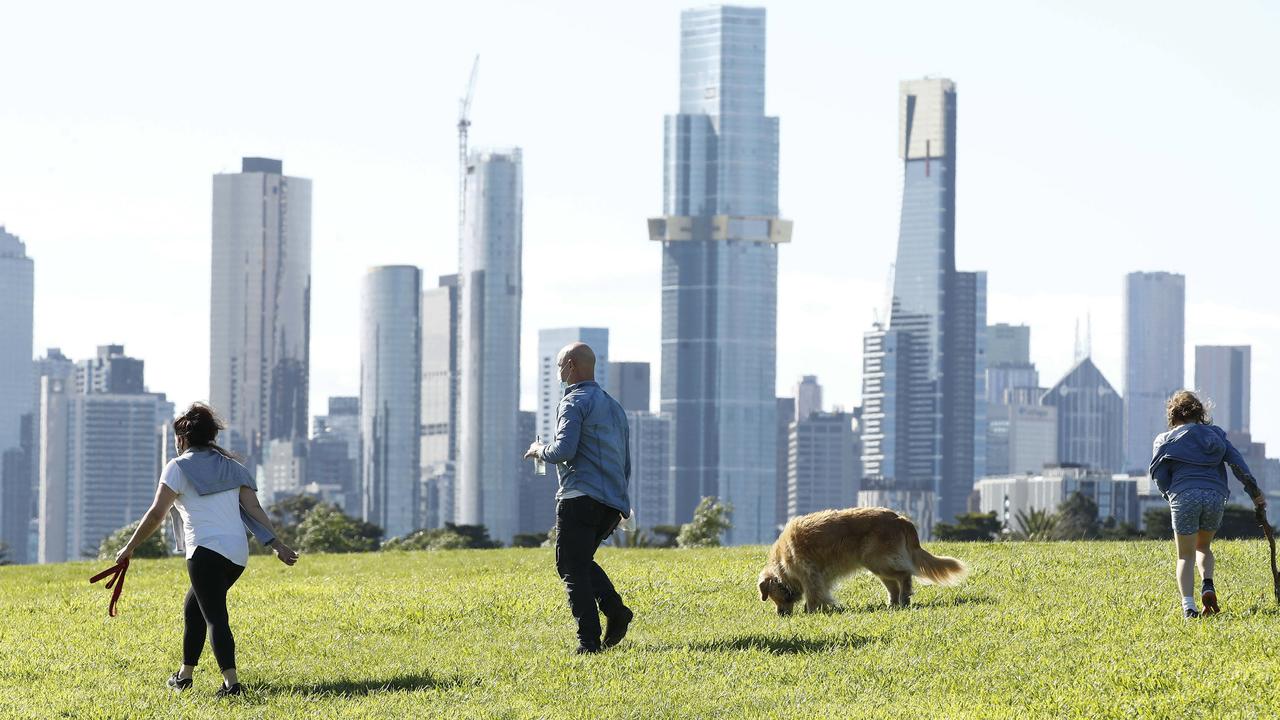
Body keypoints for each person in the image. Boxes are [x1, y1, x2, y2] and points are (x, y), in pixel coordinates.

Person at [115, 403, 299, 696]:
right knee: (194, 609)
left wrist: (129, 547)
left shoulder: (178, 467)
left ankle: (232, 684)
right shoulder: (232, 467)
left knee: (215, 615)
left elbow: (155, 514)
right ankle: (184, 676)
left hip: (204, 552)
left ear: (182, 439)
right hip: (237, 555)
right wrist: (276, 544)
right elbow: (253, 509)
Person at [525, 342, 634, 654]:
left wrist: (538, 450)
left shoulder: (573, 402)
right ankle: (615, 611)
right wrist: (622, 501)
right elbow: (625, 461)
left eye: (560, 366)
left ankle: (588, 643)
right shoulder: (614, 407)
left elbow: (563, 451)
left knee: (571, 567)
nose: (559, 373)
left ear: (571, 365)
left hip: (580, 497)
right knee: (579, 561)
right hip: (612, 502)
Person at [1150, 390, 1267, 618]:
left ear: (1173, 415)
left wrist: (1170, 494)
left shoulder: (1164, 440)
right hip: (1215, 496)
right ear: (1200, 413)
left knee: (1185, 556)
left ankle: (1189, 608)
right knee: (1203, 546)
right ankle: (1208, 585)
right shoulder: (1216, 436)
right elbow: (1239, 465)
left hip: (1184, 496)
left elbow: (1158, 474)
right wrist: (1255, 493)